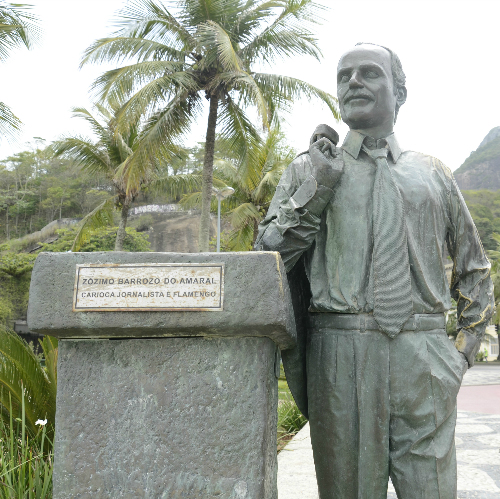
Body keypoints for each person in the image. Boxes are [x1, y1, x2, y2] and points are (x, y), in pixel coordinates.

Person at [255, 43, 494, 499]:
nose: (354, 82)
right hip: (340, 356)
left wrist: (460, 354)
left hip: (424, 357)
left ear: (400, 92)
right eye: (344, 76)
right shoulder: (310, 169)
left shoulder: (434, 174)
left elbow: (474, 269)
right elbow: (269, 259)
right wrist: (318, 187)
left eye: (369, 73)